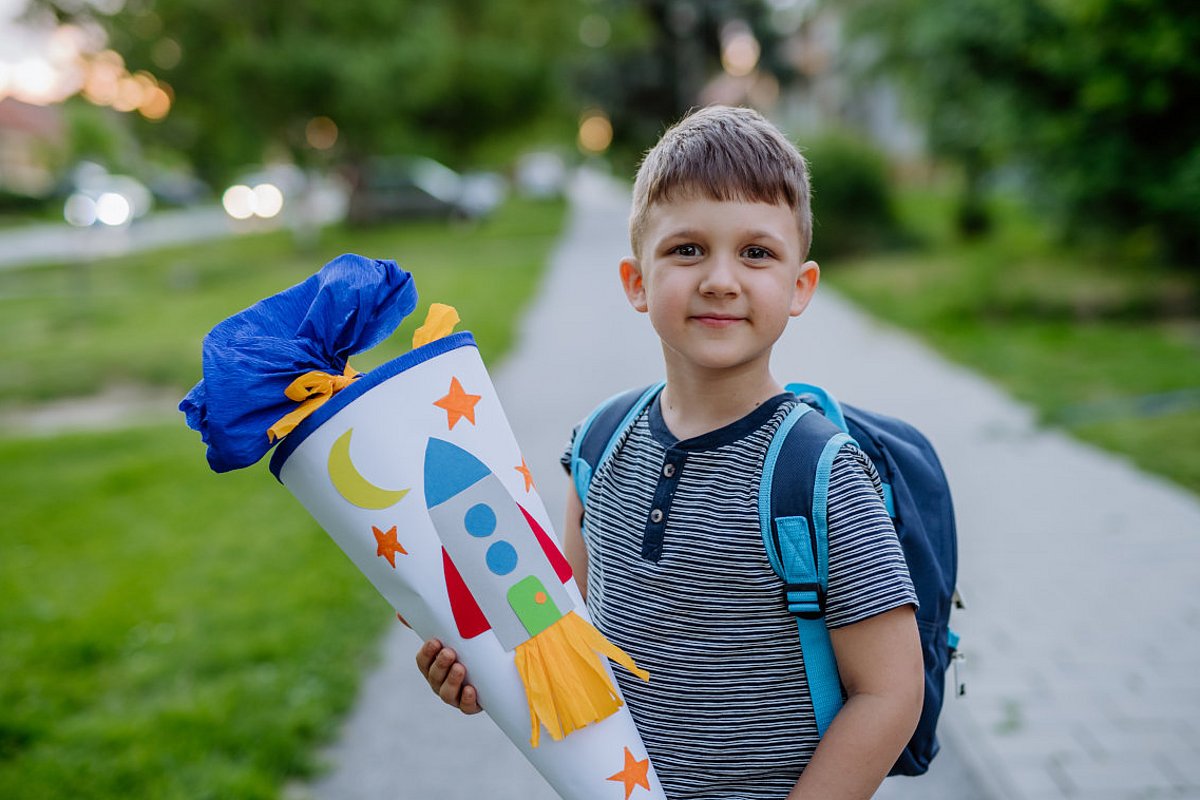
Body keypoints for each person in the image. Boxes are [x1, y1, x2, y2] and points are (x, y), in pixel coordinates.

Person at [416, 105, 924, 799]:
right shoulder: (599, 444)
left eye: (756, 253)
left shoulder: (818, 473)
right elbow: (564, 635)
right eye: (687, 250)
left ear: (800, 287)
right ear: (637, 281)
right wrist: (485, 675)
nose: (720, 279)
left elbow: (890, 693)